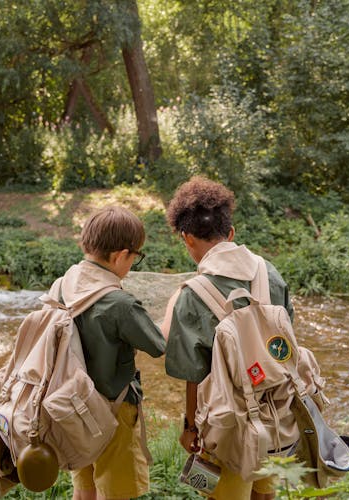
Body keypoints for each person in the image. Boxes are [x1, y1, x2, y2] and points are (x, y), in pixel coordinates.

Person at [162, 176, 294, 500]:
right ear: (231, 233)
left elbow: (193, 374)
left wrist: (190, 428)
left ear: (186, 238)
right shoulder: (269, 273)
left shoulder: (192, 295)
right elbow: (287, 343)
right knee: (264, 494)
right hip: (276, 418)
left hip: (227, 425)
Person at [61, 205, 166, 500]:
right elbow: (158, 345)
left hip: (72, 405)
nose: (133, 263)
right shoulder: (120, 304)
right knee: (116, 491)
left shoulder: (64, 284)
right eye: (135, 256)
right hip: (113, 410)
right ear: (121, 255)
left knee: (83, 487)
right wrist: (172, 308)